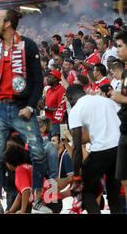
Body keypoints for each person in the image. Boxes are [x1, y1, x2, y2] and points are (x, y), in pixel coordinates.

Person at [0, 8, 51, 214]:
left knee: (38, 153)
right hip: (0, 109)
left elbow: (38, 81)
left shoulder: (27, 45)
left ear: (8, 23)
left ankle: (37, 200)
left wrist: (30, 106)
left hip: (22, 109)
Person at [66, 84, 123, 214]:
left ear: (69, 98)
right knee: (114, 194)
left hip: (102, 149)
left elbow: (77, 147)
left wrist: (76, 178)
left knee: (85, 189)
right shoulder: (105, 100)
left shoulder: (76, 110)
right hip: (119, 148)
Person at [4, 143, 60, 213]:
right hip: (55, 200)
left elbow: (26, 190)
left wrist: (22, 210)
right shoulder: (27, 167)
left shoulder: (20, 170)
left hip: (47, 202)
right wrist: (11, 210)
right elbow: (20, 195)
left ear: (9, 161)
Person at [108, 29, 127, 209]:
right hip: (124, 130)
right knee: (124, 178)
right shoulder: (126, 73)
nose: (117, 50)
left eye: (120, 46)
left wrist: (121, 98)